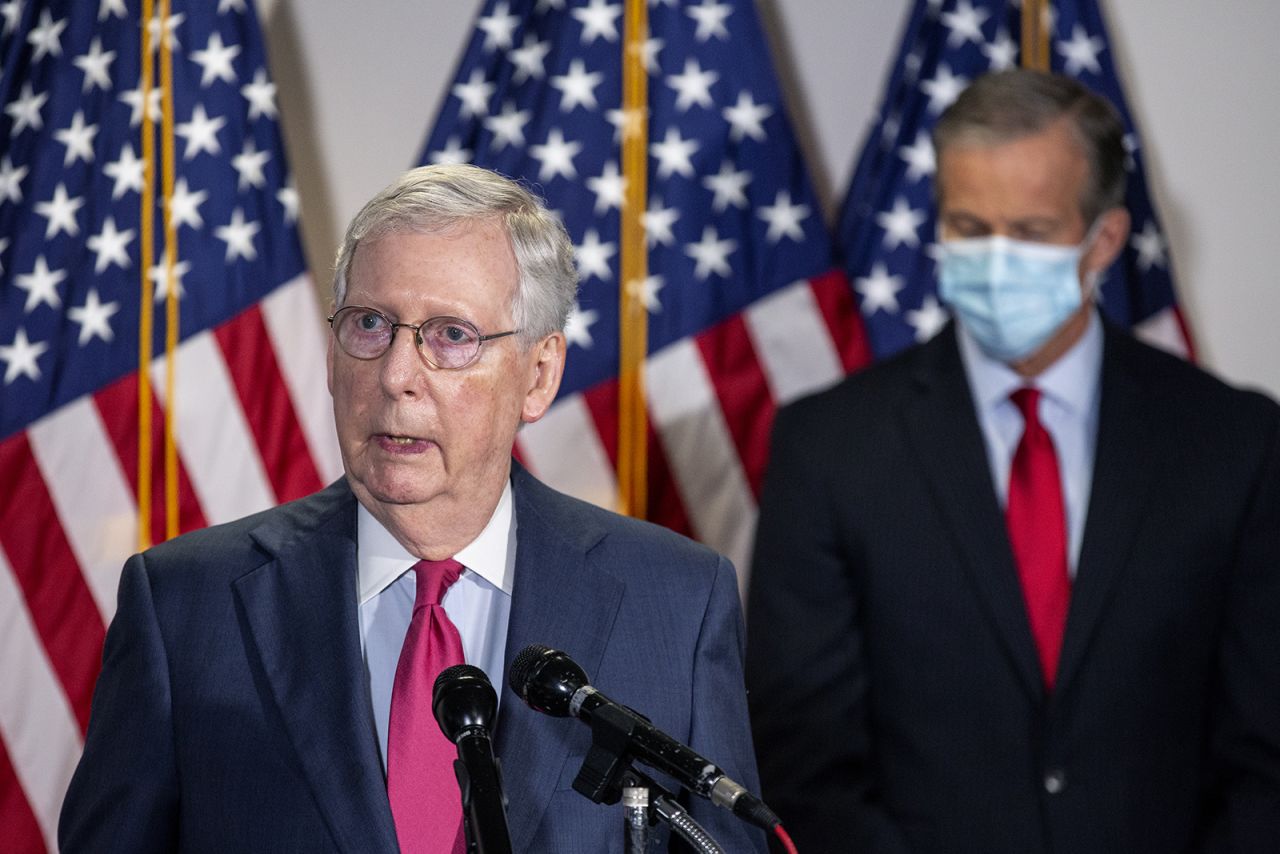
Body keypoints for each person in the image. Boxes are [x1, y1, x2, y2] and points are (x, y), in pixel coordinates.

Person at [60, 164, 766, 853]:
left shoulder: (674, 603)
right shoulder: (186, 605)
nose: (397, 377)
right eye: (370, 324)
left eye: (451, 336)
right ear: (333, 358)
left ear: (539, 374)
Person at [746, 69, 1280, 854]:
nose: (995, 261)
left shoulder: (1233, 441)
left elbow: (1263, 756)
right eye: (968, 227)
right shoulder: (830, 448)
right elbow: (804, 762)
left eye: (1029, 233)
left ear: (1103, 240)